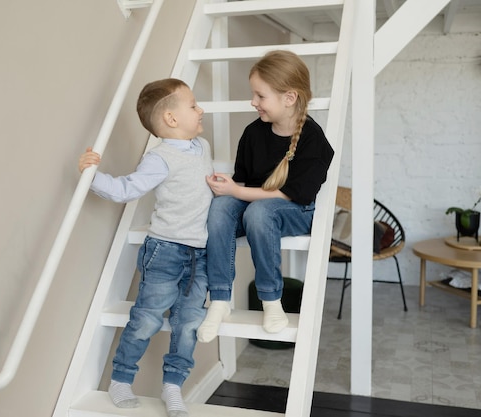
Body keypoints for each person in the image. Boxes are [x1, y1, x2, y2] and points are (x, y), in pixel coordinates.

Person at [78, 78, 213, 417]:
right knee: (147, 318)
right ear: (171, 119)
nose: (201, 110)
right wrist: (91, 175)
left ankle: (172, 387)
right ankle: (121, 378)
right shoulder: (160, 158)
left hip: (201, 253)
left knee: (189, 323)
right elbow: (127, 189)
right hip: (166, 251)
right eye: (194, 105)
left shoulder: (203, 147)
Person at [196, 50, 334, 343]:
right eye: (253, 95)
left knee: (259, 212)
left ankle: (271, 300)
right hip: (254, 205)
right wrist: (228, 187)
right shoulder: (253, 133)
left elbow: (291, 195)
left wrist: (238, 191)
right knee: (220, 207)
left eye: (260, 96)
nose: (253, 102)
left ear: (289, 98)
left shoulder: (314, 140)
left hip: (295, 209)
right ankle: (219, 299)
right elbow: (244, 183)